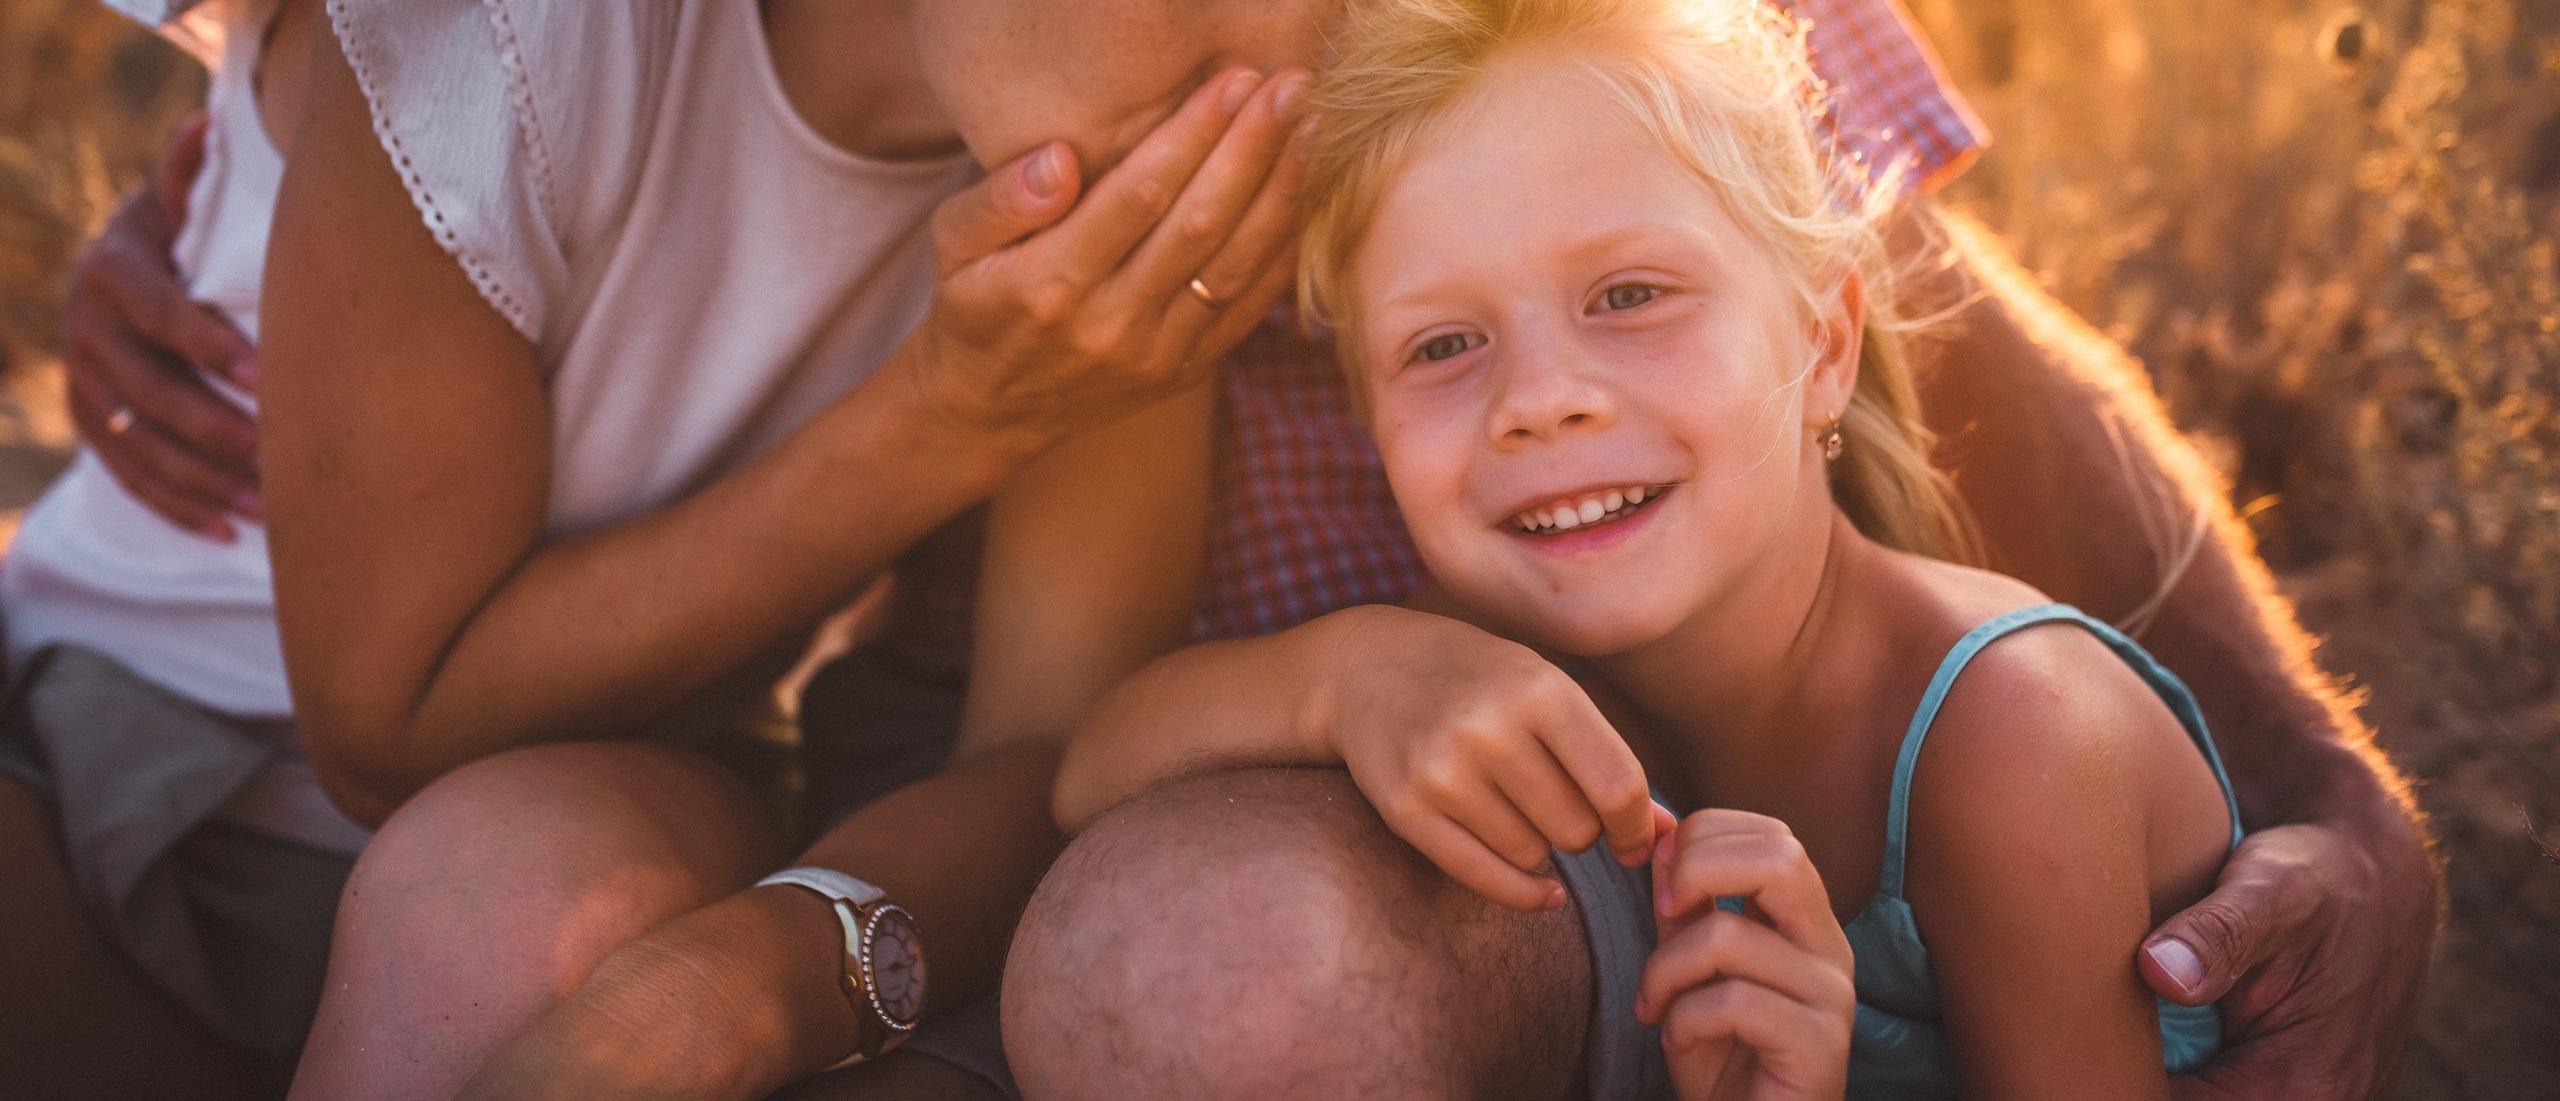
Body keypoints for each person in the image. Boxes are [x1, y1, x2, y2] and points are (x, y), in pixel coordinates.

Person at [43, 2, 2428, 1101]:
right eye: (1439, 342)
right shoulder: (1085, 147)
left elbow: (1918, 309)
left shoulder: (1242, 128)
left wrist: (2338, 787)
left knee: (1202, 960)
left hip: (1298, 861)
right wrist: (269, 184)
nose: (1268, 83)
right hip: (987, 760)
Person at [1005, 5, 2439, 1101]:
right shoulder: (1499, 620)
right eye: (1442, 344)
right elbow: (1091, 765)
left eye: (1630, 294)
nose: (1538, 398)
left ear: (1824, 342)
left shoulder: (2012, 745)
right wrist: (1340, 675)